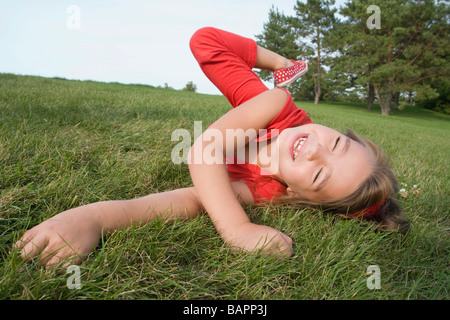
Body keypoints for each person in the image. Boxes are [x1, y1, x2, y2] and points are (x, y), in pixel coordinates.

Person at [14, 27, 409, 268]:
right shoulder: (278, 104)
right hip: (264, 115)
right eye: (337, 142)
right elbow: (203, 152)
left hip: (250, 138)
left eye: (320, 174)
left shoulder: (268, 191)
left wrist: (92, 219)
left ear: (296, 195)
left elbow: (188, 199)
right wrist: (237, 228)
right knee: (205, 39)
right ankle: (284, 62)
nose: (314, 150)